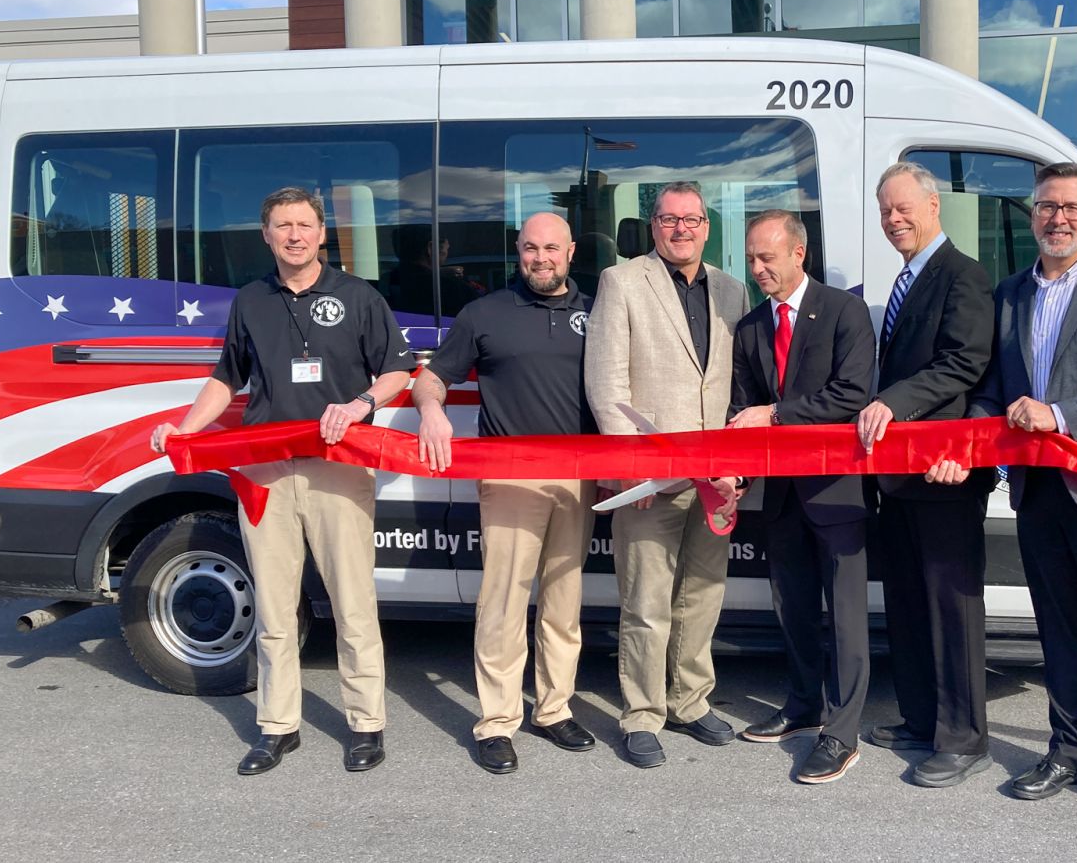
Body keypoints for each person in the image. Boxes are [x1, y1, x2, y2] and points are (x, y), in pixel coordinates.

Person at [928, 161, 1077, 828]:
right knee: (1060, 633)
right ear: (1032, 215)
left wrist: (1061, 416)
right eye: (1046, 206)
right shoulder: (1009, 295)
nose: (1057, 218)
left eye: (1070, 207)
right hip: (1037, 492)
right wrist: (965, 443)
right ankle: (1070, 751)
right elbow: (991, 391)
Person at [150, 186, 415, 776]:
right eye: (281, 226)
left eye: (303, 224)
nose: (294, 235)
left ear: (322, 233)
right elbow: (227, 380)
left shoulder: (358, 296)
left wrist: (361, 404)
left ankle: (366, 723)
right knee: (273, 607)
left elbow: (399, 368)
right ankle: (277, 727)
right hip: (266, 471)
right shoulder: (251, 301)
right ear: (266, 236)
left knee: (353, 603)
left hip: (338, 465)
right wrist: (185, 430)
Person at [413, 212, 599, 776]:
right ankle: (496, 722)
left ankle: (553, 708)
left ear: (570, 251)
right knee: (503, 605)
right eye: (530, 249)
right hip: (510, 475)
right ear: (517, 252)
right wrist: (431, 413)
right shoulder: (484, 313)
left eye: (551, 248)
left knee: (564, 607)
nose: (541, 259)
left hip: (580, 475)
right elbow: (432, 376)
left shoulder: (599, 312)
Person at [583, 181, 748, 769]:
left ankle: (690, 701)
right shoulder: (622, 281)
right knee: (647, 600)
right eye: (669, 219)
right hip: (649, 481)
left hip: (716, 479)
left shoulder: (732, 290)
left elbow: (738, 388)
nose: (681, 229)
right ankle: (642, 714)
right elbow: (606, 384)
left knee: (703, 596)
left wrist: (736, 466)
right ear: (653, 227)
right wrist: (633, 472)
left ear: (707, 227)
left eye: (692, 219)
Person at [855, 161, 995, 788]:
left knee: (950, 608)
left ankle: (963, 739)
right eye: (886, 210)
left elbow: (964, 363)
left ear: (934, 206)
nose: (894, 220)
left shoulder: (962, 276)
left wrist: (896, 401)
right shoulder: (909, 278)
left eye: (904, 207)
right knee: (909, 603)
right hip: (899, 477)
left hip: (945, 474)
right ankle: (920, 720)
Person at [728, 210, 876, 784]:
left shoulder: (844, 311)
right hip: (779, 494)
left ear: (799, 253)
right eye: (751, 259)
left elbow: (851, 395)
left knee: (844, 614)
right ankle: (802, 706)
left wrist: (778, 413)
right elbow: (741, 412)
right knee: (792, 607)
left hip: (836, 490)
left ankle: (841, 733)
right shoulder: (749, 328)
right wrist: (732, 474)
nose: (758, 268)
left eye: (768, 257)